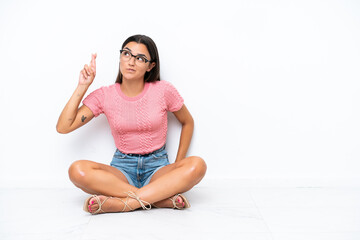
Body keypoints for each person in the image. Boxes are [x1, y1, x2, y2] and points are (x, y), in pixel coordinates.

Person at [56, 34, 207, 214]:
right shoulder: (104, 95)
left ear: (151, 66)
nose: (131, 62)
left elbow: (187, 121)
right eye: (127, 54)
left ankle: (123, 204)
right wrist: (83, 86)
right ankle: (158, 199)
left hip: (158, 168)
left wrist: (176, 166)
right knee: (77, 170)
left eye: (140, 58)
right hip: (122, 169)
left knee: (198, 165)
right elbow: (63, 127)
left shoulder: (164, 90)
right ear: (120, 57)